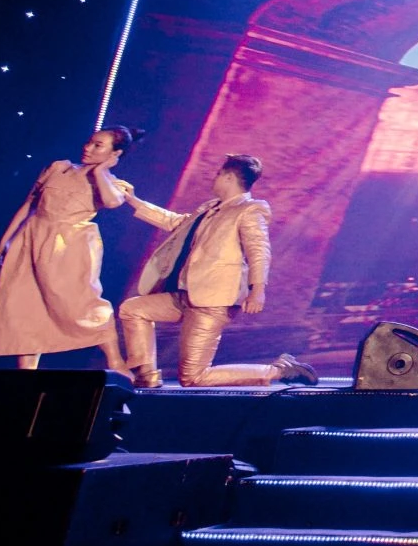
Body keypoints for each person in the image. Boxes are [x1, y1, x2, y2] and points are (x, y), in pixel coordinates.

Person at [0, 126, 137, 369]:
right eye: (89, 142)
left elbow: (111, 202)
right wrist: (6, 241)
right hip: (31, 238)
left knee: (81, 304)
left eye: (98, 145)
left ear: (115, 153)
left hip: (70, 246)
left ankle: (115, 361)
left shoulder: (113, 183)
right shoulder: (59, 168)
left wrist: (100, 170)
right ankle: (27, 372)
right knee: (26, 304)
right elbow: (29, 205)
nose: (88, 148)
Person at [119, 154, 316, 388]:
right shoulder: (210, 208)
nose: (214, 178)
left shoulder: (250, 209)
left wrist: (257, 290)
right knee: (134, 309)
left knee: (193, 378)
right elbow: (176, 223)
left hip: (213, 300)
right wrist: (133, 201)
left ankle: (280, 371)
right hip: (186, 295)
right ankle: (146, 375)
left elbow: (259, 250)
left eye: (218, 174)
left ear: (229, 177)